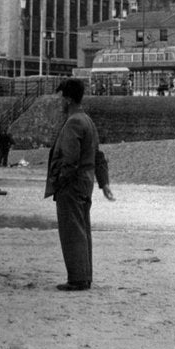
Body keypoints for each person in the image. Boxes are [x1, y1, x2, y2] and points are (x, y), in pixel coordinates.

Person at [45, 78, 114, 291]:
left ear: (67, 99)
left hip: (72, 185)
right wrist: (104, 183)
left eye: (61, 98)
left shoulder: (73, 122)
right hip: (86, 182)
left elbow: (70, 159)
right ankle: (84, 276)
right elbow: (98, 155)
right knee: (82, 230)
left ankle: (77, 279)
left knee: (71, 231)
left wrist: (59, 182)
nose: (59, 102)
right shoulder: (88, 121)